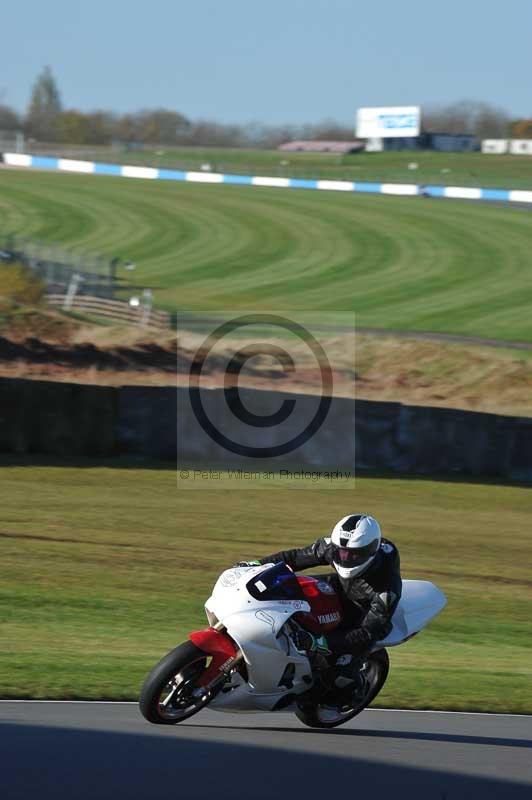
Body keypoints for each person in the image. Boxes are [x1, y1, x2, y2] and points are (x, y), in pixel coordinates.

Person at [236, 514, 402, 665]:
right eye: (341, 552)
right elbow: (294, 558)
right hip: (341, 585)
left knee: (343, 675)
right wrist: (258, 564)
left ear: (369, 552)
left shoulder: (386, 588)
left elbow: (367, 633)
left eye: (352, 555)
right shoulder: (333, 547)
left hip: (365, 611)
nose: (345, 558)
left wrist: (319, 642)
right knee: (291, 588)